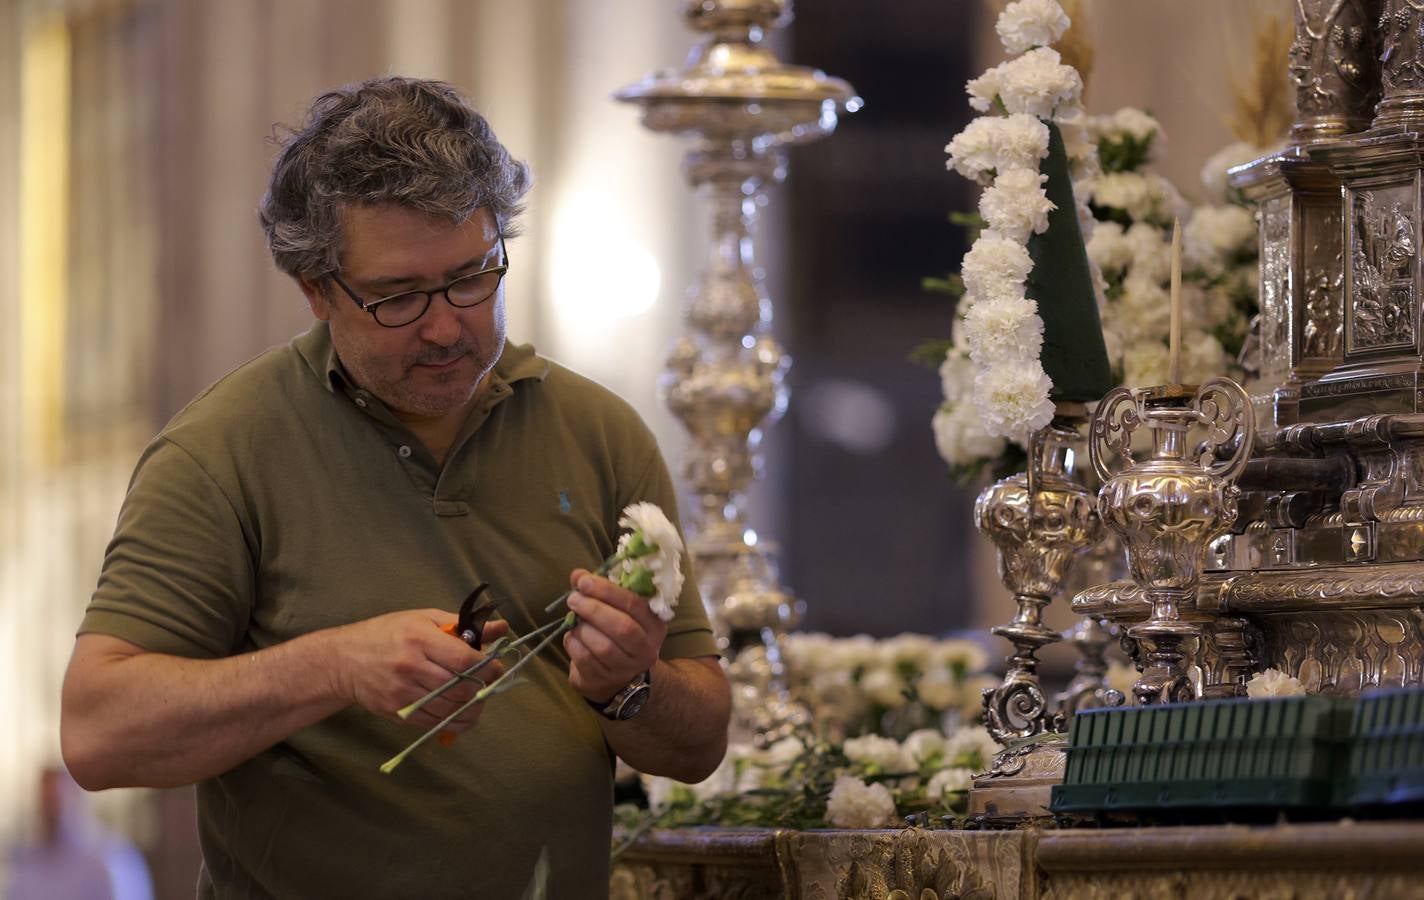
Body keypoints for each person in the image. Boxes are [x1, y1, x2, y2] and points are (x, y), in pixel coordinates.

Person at [59, 77, 730, 899]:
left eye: (473, 277)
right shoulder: (222, 450)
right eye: (398, 297)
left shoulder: (601, 433)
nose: (446, 326)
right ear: (316, 289)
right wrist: (334, 665)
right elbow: (98, 734)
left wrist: (631, 685)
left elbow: (698, 746)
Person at [5, 766, 153, 900]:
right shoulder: (28, 864)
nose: (49, 811)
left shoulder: (111, 860)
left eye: (55, 800)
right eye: (45, 801)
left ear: (76, 800)